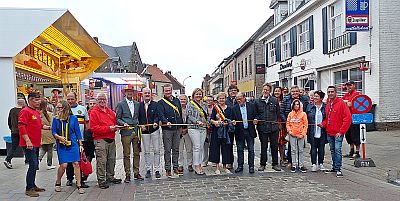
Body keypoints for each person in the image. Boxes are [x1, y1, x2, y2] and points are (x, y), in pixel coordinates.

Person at [18, 92, 51, 197]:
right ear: (31, 100)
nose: (39, 102)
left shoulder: (35, 112)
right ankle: (29, 188)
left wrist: (49, 127)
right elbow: (21, 126)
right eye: (37, 100)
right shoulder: (25, 111)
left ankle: (33, 184)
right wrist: (27, 140)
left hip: (35, 143)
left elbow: (39, 125)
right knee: (33, 165)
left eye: (39, 99)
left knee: (35, 165)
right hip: (29, 144)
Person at [52, 100, 85, 194]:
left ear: (65, 108)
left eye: (60, 108)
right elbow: (53, 132)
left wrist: (81, 145)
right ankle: (58, 181)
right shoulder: (56, 119)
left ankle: (79, 184)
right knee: (64, 165)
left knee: (76, 163)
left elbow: (78, 132)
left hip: (73, 144)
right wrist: (59, 137)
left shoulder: (73, 118)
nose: (58, 109)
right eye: (57, 107)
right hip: (62, 145)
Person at [90, 93, 122, 189]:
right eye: (100, 99)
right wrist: (108, 128)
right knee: (102, 161)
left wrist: (117, 126)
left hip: (111, 139)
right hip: (100, 140)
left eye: (103, 99)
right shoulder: (94, 112)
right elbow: (93, 128)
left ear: (107, 100)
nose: (102, 101)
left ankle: (110, 177)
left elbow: (115, 122)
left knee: (111, 160)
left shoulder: (110, 112)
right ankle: (101, 180)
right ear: (97, 100)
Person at [318, 86, 351, 178]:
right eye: (329, 92)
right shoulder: (328, 104)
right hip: (330, 132)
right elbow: (327, 118)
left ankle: (338, 168)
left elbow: (347, 119)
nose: (330, 93)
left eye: (332, 92)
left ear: (335, 92)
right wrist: (323, 124)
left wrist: (341, 131)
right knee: (332, 150)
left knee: (338, 150)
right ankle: (334, 167)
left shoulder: (341, 103)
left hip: (338, 133)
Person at [116, 85, 142, 182]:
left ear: (133, 93)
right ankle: (127, 174)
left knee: (137, 153)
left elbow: (139, 116)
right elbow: (117, 118)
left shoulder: (137, 104)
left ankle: (136, 172)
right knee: (126, 154)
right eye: (127, 91)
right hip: (126, 132)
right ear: (125, 93)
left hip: (135, 130)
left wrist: (140, 125)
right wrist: (123, 123)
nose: (129, 93)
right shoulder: (120, 104)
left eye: (131, 91)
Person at [254, 83, 281, 171]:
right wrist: (256, 119)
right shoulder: (257, 101)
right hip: (262, 127)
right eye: (264, 89)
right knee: (263, 146)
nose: (265, 91)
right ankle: (263, 164)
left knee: (274, 146)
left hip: (273, 127)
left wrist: (278, 123)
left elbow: (278, 113)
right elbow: (256, 113)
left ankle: (275, 164)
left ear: (270, 91)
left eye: (267, 90)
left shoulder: (274, 100)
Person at [157, 84, 183, 177]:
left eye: (169, 90)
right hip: (167, 129)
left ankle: (175, 167)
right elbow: (161, 114)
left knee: (176, 149)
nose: (168, 92)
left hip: (176, 128)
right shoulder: (161, 102)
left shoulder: (176, 101)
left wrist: (182, 126)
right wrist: (166, 121)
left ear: (172, 90)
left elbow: (179, 114)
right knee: (167, 150)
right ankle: (168, 168)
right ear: (163, 92)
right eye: (166, 91)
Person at [280, 85, 309, 168]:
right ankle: (291, 161)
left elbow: (306, 110)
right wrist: (287, 123)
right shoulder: (286, 99)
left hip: (301, 126)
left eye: (296, 91)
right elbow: (282, 112)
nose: (295, 93)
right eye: (293, 91)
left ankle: (301, 163)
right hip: (290, 126)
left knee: (300, 147)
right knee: (291, 146)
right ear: (291, 92)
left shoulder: (304, 99)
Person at [66, 92, 89, 188]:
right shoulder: (65, 110)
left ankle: (80, 179)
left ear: (76, 98)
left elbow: (87, 122)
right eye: (68, 99)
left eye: (72, 99)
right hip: (68, 140)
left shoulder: (82, 109)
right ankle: (69, 178)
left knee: (79, 160)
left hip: (80, 139)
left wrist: (86, 135)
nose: (70, 101)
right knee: (69, 160)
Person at [139, 88, 161, 179]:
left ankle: (157, 169)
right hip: (144, 132)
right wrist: (140, 125)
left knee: (156, 150)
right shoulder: (139, 105)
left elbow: (158, 115)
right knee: (147, 151)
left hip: (154, 130)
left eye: (148, 93)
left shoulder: (155, 104)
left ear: (151, 94)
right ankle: (148, 169)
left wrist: (156, 122)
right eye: (145, 93)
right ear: (142, 94)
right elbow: (138, 117)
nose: (147, 94)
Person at [209, 92, 234, 175]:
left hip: (226, 132)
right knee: (216, 148)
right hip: (217, 131)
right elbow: (211, 119)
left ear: (225, 99)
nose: (221, 100)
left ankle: (225, 167)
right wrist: (216, 121)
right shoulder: (215, 108)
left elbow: (231, 119)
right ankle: (217, 167)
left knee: (226, 148)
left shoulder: (229, 109)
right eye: (220, 98)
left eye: (223, 98)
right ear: (217, 100)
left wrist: (228, 123)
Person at [232, 92, 257, 174]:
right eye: (237, 99)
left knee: (251, 150)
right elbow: (232, 118)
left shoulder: (251, 105)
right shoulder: (234, 108)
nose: (239, 100)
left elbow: (257, 115)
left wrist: (256, 119)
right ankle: (240, 166)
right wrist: (233, 121)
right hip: (239, 131)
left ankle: (251, 166)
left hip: (249, 131)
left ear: (244, 98)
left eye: (240, 99)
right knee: (240, 150)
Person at [187, 88, 208, 175]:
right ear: (193, 95)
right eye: (197, 94)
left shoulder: (204, 104)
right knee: (196, 147)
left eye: (200, 94)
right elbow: (189, 115)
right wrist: (196, 121)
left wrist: (208, 122)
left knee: (201, 147)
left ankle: (199, 164)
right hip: (193, 127)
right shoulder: (190, 104)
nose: (198, 96)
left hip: (203, 128)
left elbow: (207, 115)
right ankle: (196, 166)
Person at [306, 90, 327, 172]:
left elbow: (327, 118)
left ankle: (321, 163)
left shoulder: (325, 107)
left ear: (321, 98)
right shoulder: (309, 106)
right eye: (314, 96)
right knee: (313, 147)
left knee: (321, 148)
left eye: (317, 96)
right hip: (312, 130)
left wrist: (323, 124)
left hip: (322, 130)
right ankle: (313, 164)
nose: (314, 98)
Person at [286, 99, 308, 173]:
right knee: (293, 150)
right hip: (292, 134)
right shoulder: (290, 114)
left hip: (300, 135)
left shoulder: (303, 114)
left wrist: (303, 134)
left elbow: (305, 124)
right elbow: (288, 124)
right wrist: (290, 131)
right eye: (295, 104)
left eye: (297, 104)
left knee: (301, 150)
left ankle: (301, 165)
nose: (296, 106)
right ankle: (294, 165)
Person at [4, 99, 26, 169]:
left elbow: (9, 121)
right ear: (23, 103)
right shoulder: (23, 111)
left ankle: (8, 159)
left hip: (14, 131)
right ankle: (28, 160)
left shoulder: (12, 110)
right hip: (22, 131)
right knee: (25, 145)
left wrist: (11, 128)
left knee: (14, 146)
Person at [342, 81, 362, 159]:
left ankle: (357, 152)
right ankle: (351, 150)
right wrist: (347, 103)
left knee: (355, 134)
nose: (348, 87)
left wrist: (347, 103)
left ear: (354, 85)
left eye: (350, 85)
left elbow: (351, 104)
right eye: (347, 86)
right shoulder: (346, 95)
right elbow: (342, 103)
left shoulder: (357, 94)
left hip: (355, 118)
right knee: (348, 135)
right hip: (347, 118)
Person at [177, 94, 193, 174]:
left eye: (184, 99)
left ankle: (190, 164)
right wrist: (180, 129)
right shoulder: (176, 109)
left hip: (188, 131)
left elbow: (192, 119)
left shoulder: (190, 108)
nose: (182, 101)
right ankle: (180, 165)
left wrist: (187, 128)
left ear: (187, 100)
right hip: (179, 131)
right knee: (180, 149)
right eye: (181, 99)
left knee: (189, 149)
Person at [38, 99, 56, 170]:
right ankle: (49, 164)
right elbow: (52, 123)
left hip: (41, 133)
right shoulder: (48, 114)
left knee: (43, 148)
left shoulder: (38, 113)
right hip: (48, 132)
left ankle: (38, 160)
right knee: (50, 149)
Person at [225, 85, 239, 169]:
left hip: (238, 126)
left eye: (234, 90)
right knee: (229, 145)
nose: (233, 92)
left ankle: (240, 163)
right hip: (229, 126)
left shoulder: (240, 100)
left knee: (240, 145)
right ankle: (230, 162)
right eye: (231, 91)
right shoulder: (226, 101)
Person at [273, 87, 287, 167]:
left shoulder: (283, 101)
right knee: (274, 143)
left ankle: (282, 159)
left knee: (281, 143)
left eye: (278, 91)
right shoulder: (270, 100)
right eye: (275, 91)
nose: (277, 92)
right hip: (273, 122)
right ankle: (274, 160)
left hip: (281, 123)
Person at [203, 95, 214, 167]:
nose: (209, 102)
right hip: (205, 128)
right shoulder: (203, 108)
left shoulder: (216, 108)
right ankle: (205, 161)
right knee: (205, 146)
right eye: (208, 100)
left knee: (213, 145)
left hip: (214, 129)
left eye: (211, 100)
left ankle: (213, 160)